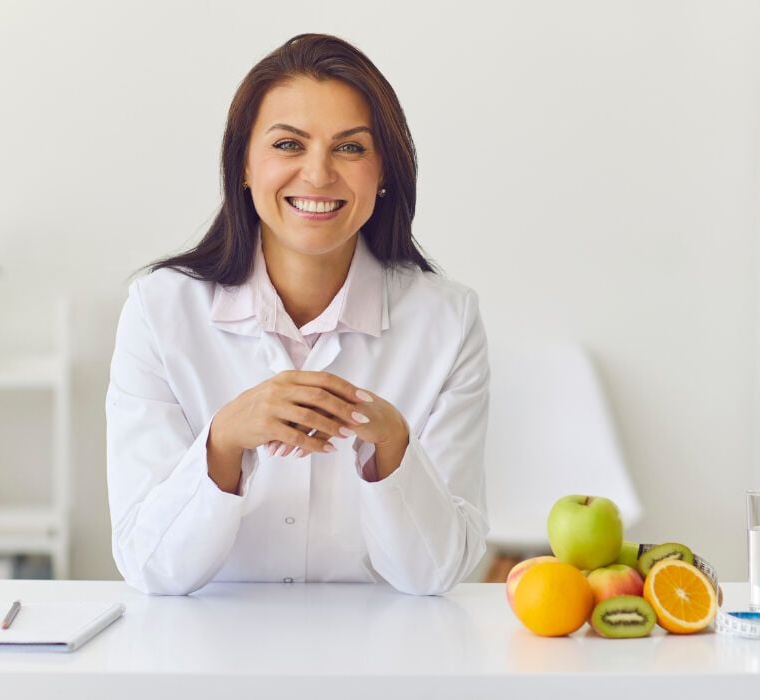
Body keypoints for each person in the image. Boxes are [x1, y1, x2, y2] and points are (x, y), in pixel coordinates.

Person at [106, 33, 489, 596]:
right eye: (289, 144)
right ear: (243, 163)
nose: (317, 174)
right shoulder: (159, 311)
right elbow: (151, 568)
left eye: (351, 148)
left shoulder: (448, 321)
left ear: (384, 172)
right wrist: (225, 441)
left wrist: (391, 446)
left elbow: (435, 576)